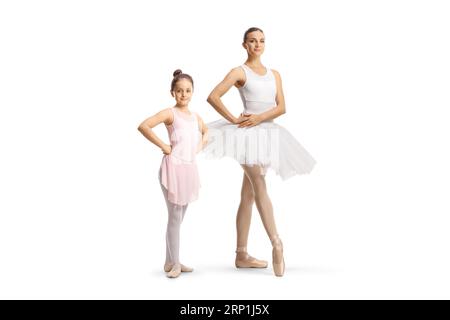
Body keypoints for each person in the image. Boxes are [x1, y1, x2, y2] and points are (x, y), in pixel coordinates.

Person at [204, 27, 316, 277]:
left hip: (268, 133)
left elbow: (282, 107)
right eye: (252, 41)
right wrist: (235, 119)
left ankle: (241, 254)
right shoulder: (239, 72)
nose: (258, 44)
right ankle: (276, 243)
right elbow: (213, 97)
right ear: (244, 45)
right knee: (259, 183)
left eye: (262, 41)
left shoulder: (274, 74)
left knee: (249, 195)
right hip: (246, 136)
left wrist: (259, 118)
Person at [138, 69, 208, 278]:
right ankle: (175, 263)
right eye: (179, 91)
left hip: (188, 168)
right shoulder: (170, 113)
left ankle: (170, 261)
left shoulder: (195, 117)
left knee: (178, 217)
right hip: (173, 168)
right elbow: (144, 126)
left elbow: (206, 131)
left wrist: (200, 145)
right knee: (175, 217)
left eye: (187, 91)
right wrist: (164, 145)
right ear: (173, 93)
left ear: (192, 92)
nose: (184, 94)